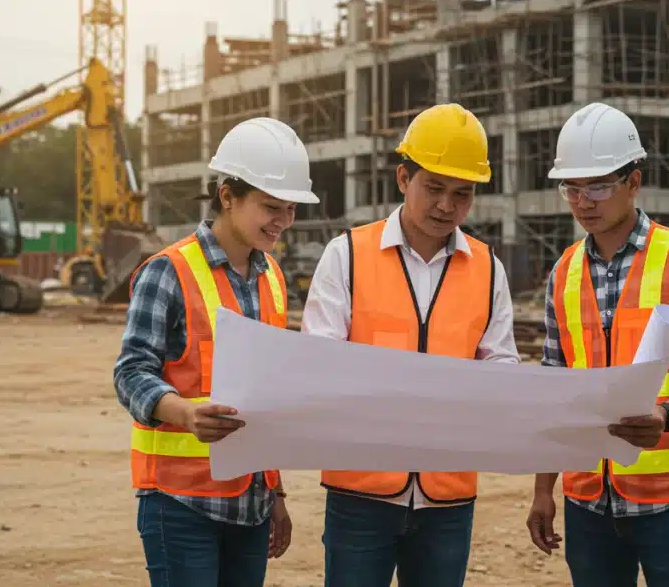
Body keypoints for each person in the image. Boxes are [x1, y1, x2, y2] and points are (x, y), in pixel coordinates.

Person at [299, 102, 521, 587]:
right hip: (361, 496)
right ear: (403, 178)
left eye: (462, 194)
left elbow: (502, 368)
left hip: (448, 500)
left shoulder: (487, 269)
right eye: (434, 188)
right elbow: (317, 363)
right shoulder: (348, 255)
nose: (446, 206)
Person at [525, 102, 669, 587]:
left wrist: (667, 414)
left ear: (633, 183)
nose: (583, 201)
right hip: (587, 502)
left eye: (598, 186)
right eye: (571, 189)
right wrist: (542, 490)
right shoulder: (564, 271)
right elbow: (553, 383)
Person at [113, 117, 320, 587]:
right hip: (181, 503)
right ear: (227, 196)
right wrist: (185, 413)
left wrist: (277, 493)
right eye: (271, 207)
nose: (283, 222)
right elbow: (130, 373)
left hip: (252, 505)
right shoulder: (168, 271)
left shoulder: (273, 278)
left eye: (291, 209)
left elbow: (267, 395)